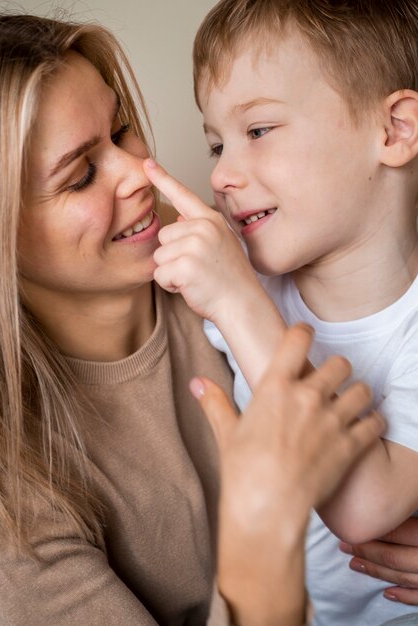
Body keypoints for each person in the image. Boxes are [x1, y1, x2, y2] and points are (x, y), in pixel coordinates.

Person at [0, 12, 389, 626]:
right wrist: (259, 543)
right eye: (80, 177)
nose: (139, 174)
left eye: (122, 132)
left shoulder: (249, 243)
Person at [142, 0, 418, 624]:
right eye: (216, 145)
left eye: (258, 131)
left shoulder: (245, 293)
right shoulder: (249, 273)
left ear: (395, 130)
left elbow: (361, 506)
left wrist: (239, 299)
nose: (222, 175)